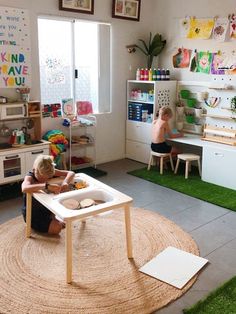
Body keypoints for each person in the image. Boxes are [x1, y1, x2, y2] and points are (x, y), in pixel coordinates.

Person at [21, 154, 75, 235]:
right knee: (57, 228)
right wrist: (46, 186)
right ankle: (54, 221)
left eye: (48, 178)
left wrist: (65, 182)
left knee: (61, 216)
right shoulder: (30, 176)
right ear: (35, 170)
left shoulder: (49, 170)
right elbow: (24, 188)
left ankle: (53, 219)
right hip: (33, 216)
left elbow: (71, 173)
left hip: (47, 211)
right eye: (42, 178)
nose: (45, 179)